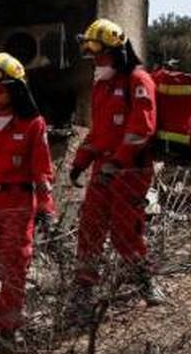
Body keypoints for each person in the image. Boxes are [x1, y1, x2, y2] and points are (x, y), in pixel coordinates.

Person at [67, 18, 166, 319]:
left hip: (131, 170)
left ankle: (145, 282)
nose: (96, 61)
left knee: (126, 230)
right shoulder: (103, 86)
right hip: (104, 168)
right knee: (91, 227)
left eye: (101, 55)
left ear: (118, 52)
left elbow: (141, 130)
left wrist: (117, 161)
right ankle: (84, 289)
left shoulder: (139, 81)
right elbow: (99, 133)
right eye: (93, 56)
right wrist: (80, 161)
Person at [0, 53, 56, 350]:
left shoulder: (34, 125)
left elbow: (42, 170)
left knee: (14, 268)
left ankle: (9, 330)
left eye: (1, 90)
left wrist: (46, 208)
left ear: (16, 90)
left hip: (18, 205)